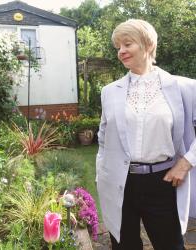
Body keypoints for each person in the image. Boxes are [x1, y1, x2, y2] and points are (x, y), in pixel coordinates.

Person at [96, 19, 196, 250]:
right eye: (118, 47)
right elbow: (103, 138)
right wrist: (101, 174)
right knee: (124, 246)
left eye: (127, 44)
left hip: (162, 181)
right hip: (120, 182)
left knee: (170, 245)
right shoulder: (110, 92)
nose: (121, 51)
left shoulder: (184, 87)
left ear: (148, 44)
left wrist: (186, 163)